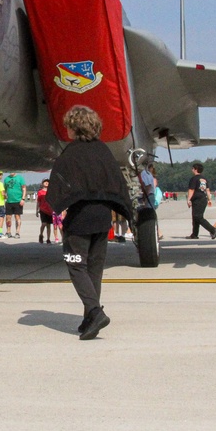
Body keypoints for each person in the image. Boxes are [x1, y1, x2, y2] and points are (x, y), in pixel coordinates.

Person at [46, 105, 132, 341]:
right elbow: (118, 183)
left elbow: (58, 186)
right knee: (95, 268)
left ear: (73, 128)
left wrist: (55, 207)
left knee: (76, 265)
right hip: (103, 217)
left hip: (81, 218)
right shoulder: (103, 151)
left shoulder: (71, 154)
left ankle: (95, 312)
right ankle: (89, 319)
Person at [185, 163, 216, 240]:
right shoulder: (204, 179)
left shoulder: (194, 179)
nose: (192, 169)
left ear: (195, 169)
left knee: (198, 217)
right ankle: (194, 234)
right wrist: (209, 199)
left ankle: (213, 229)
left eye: (192, 168)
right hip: (203, 199)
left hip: (197, 199)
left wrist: (188, 199)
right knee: (195, 217)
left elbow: (191, 189)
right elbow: (207, 190)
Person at [3, 171, 26, 238]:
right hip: (9, 201)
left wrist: (23, 199)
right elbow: (4, 189)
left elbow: (24, 189)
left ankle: (17, 232)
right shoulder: (6, 179)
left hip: (18, 200)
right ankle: (8, 231)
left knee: (17, 217)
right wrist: (4, 195)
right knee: (8, 217)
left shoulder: (20, 178)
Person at [36, 178, 54, 243]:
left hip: (50, 210)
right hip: (43, 210)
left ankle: (48, 239)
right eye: (45, 182)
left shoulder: (51, 192)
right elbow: (38, 202)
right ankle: (41, 234)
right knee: (44, 223)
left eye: (48, 182)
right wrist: (37, 210)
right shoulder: (40, 192)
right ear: (42, 183)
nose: (46, 183)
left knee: (49, 225)